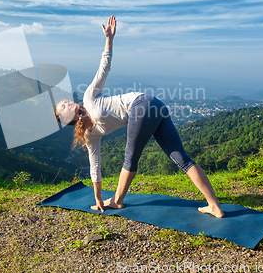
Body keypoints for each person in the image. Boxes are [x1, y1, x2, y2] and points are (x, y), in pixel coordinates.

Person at [55, 15, 224, 218]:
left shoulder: (89, 97)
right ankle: (214, 207)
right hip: (153, 107)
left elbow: (104, 68)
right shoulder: (90, 136)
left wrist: (109, 40)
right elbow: (95, 166)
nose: (66, 102)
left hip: (143, 104)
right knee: (180, 158)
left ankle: (117, 201)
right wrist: (98, 198)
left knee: (130, 158)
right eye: (62, 107)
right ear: (66, 119)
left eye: (64, 101)